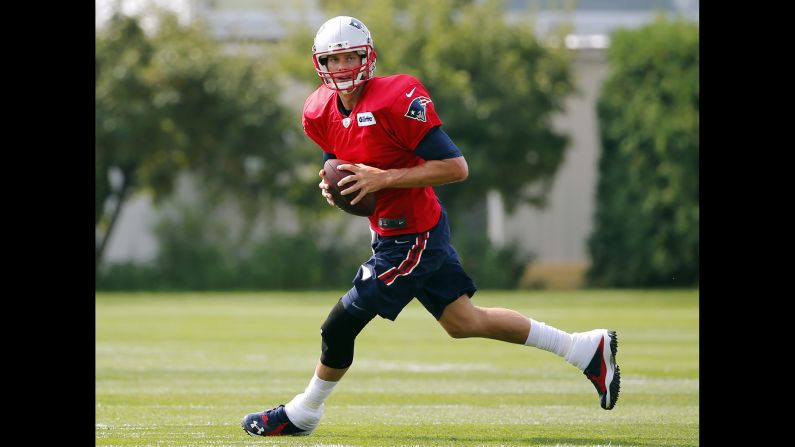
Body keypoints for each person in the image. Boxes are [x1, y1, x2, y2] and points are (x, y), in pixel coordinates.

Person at [241, 15, 620, 438]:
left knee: (339, 324)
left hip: (414, 235)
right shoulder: (316, 111)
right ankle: (585, 348)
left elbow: (456, 168)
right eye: (334, 59)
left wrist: (383, 179)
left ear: (368, 58)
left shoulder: (395, 98)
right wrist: (336, 188)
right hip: (390, 231)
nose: (343, 67)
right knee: (464, 322)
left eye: (351, 56)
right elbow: (344, 168)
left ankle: (303, 413)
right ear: (320, 63)